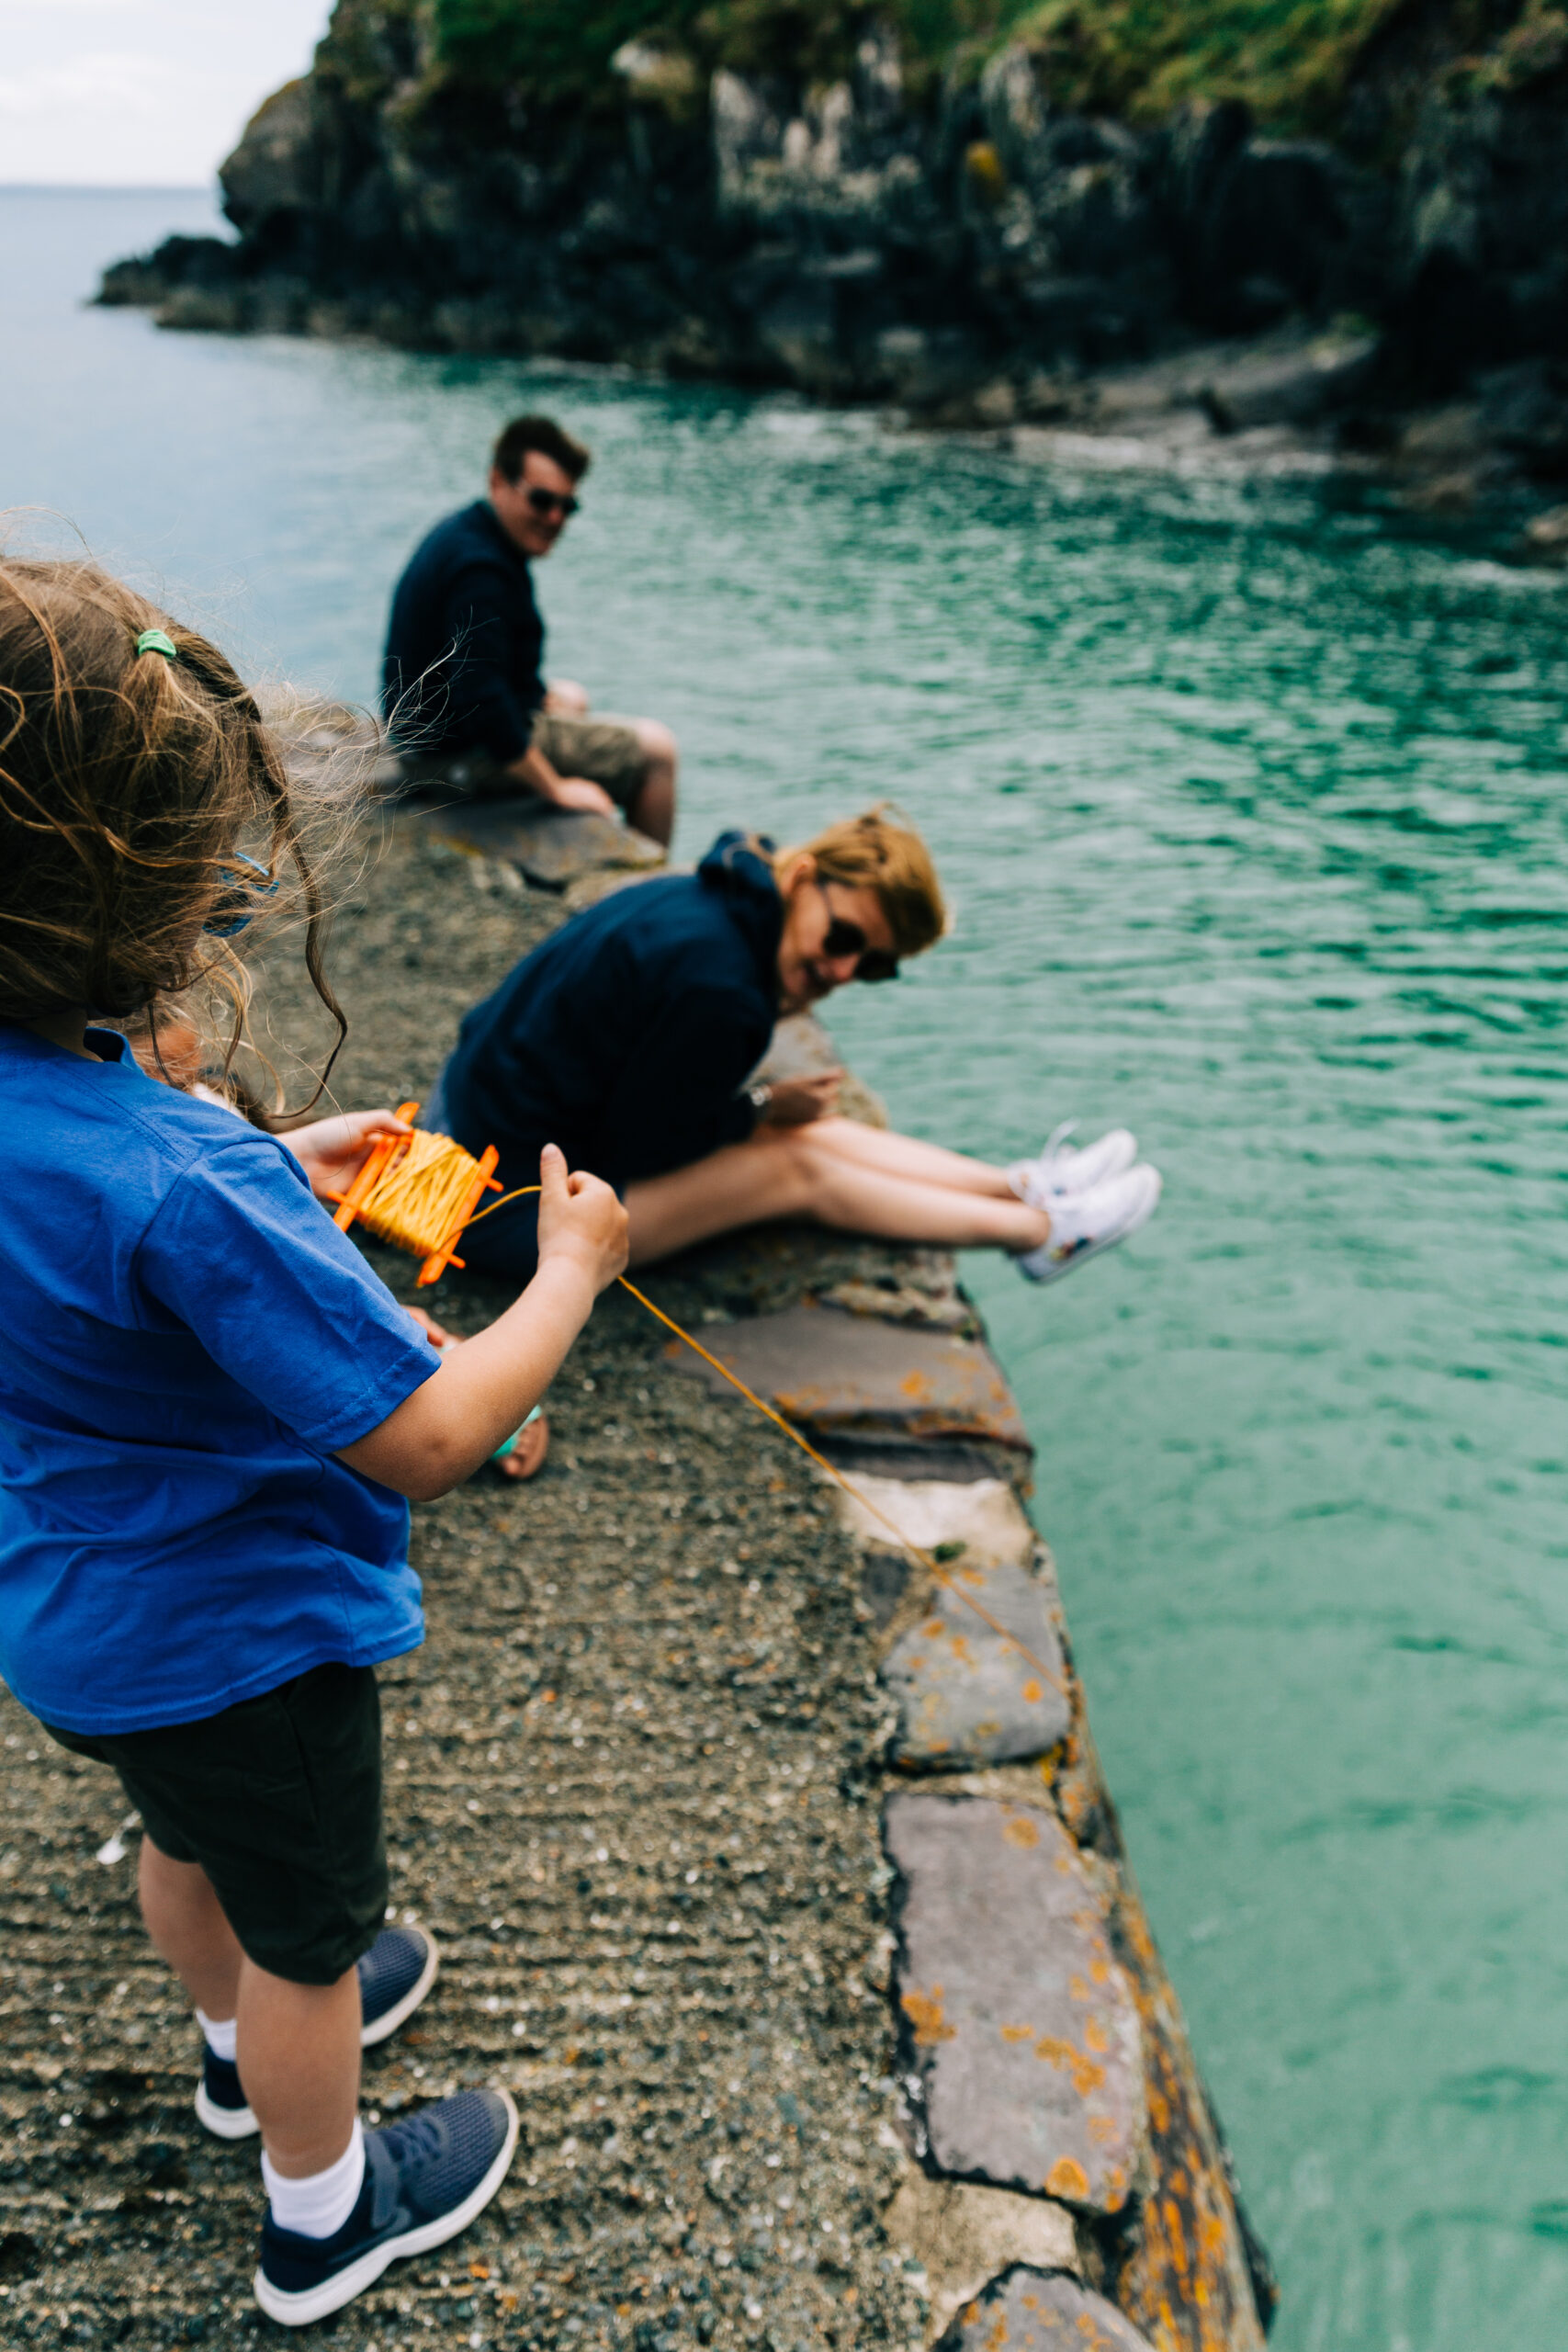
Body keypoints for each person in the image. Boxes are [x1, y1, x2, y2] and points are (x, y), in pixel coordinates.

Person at [0, 559, 628, 2325]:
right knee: (310, 1941)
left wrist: (281, 1170)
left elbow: (94, 1246)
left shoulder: (93, 1126)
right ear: (146, 886)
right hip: (242, 1643)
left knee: (185, 1841)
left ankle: (234, 2050)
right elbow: (428, 1434)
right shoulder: (184, 1171)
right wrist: (566, 1276)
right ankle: (322, 2209)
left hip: (77, 1627)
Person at [426, 808, 1161, 1281]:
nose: (842, 971)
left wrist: (764, 1109)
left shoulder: (707, 902)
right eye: (842, 938)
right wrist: (758, 1109)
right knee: (794, 1169)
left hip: (464, 1120)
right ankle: (1038, 1233)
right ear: (803, 877)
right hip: (497, 1204)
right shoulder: (724, 991)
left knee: (806, 1126)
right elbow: (644, 1148)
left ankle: (1021, 1186)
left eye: (871, 965)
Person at [382, 413, 678, 846]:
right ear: (497, 482)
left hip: (428, 733)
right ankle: (648, 879)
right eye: (541, 500)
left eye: (567, 506)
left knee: (571, 697)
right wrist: (556, 789)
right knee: (659, 752)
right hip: (448, 758)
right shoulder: (481, 570)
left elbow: (477, 668)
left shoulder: (471, 534)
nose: (555, 517)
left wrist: (533, 695)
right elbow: (481, 702)